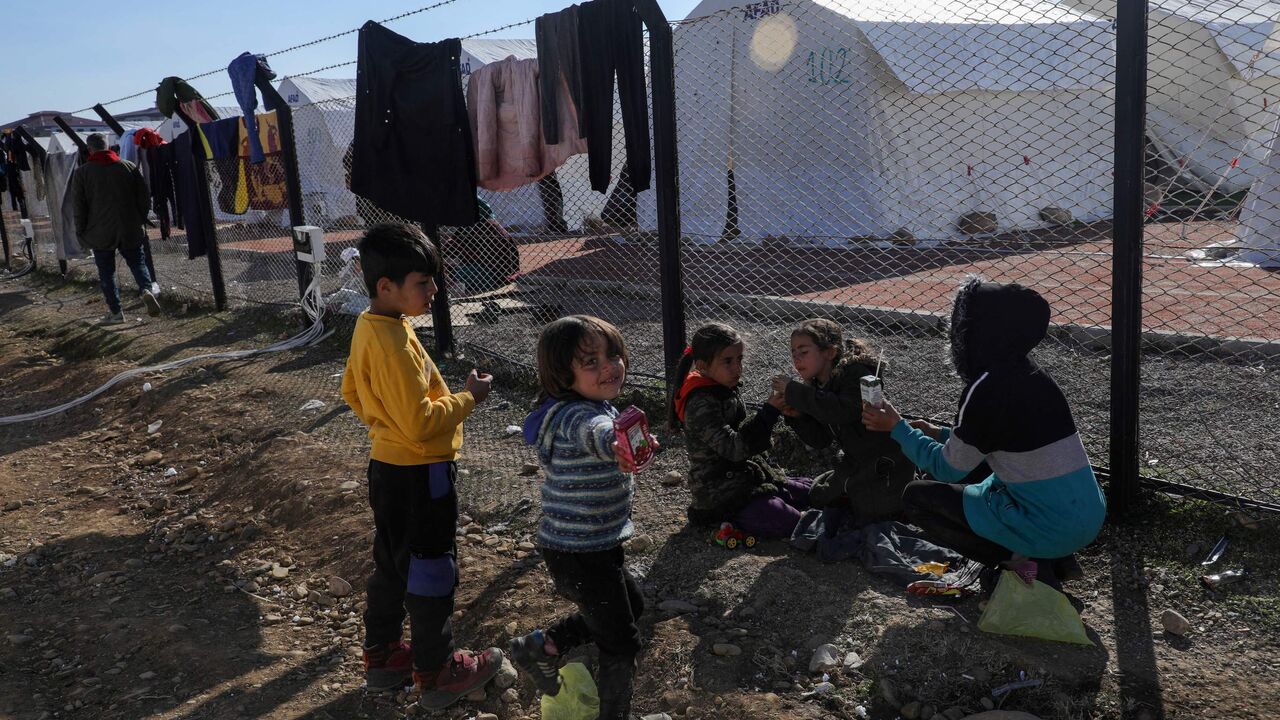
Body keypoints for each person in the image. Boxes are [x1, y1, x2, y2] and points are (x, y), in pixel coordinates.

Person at [340, 223, 503, 707]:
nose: (434, 290)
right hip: (421, 473)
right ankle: (438, 671)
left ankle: (385, 656)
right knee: (432, 567)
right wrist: (468, 398)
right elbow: (420, 422)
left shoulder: (373, 326)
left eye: (433, 280)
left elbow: (351, 390)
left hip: (387, 466)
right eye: (423, 282)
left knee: (392, 562)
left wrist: (381, 424)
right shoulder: (394, 343)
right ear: (385, 287)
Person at [862, 279, 1104, 594]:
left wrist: (897, 428)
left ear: (982, 331)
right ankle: (1059, 558)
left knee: (918, 498)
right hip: (1086, 515)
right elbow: (995, 443)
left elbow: (947, 467)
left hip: (1051, 526)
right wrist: (937, 432)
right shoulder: (1032, 375)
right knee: (980, 473)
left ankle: (1023, 564)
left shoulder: (986, 388)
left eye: (962, 323)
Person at [510, 315, 648, 720]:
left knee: (631, 605)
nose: (609, 366)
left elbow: (607, 425)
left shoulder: (593, 404)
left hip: (596, 545)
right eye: (591, 361)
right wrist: (616, 444)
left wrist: (627, 440)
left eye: (614, 354)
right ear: (562, 374)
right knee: (621, 642)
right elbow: (598, 432)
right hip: (578, 551)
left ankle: (542, 645)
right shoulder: (576, 416)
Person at [670, 322, 811, 537]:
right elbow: (734, 449)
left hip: (744, 476)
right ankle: (727, 520)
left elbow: (744, 436)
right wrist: (768, 413)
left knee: (810, 493)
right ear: (703, 365)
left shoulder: (721, 387)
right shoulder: (700, 403)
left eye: (739, 359)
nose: (738, 368)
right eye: (728, 361)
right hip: (719, 493)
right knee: (788, 520)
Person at [773, 319, 912, 525]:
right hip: (857, 462)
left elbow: (842, 411)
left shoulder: (856, 375)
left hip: (886, 464)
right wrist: (798, 417)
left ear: (829, 352)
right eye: (793, 352)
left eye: (803, 352)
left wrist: (794, 391)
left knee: (872, 514)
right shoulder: (818, 386)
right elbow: (820, 440)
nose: (796, 359)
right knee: (820, 497)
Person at [71, 133, 160, 325]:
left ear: (89, 150)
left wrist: (81, 230)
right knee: (137, 263)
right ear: (109, 146)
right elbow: (144, 196)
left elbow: (79, 206)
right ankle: (146, 289)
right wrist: (139, 218)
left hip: (99, 231)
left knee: (107, 272)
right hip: (130, 227)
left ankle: (116, 312)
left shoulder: (83, 172)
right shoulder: (127, 166)